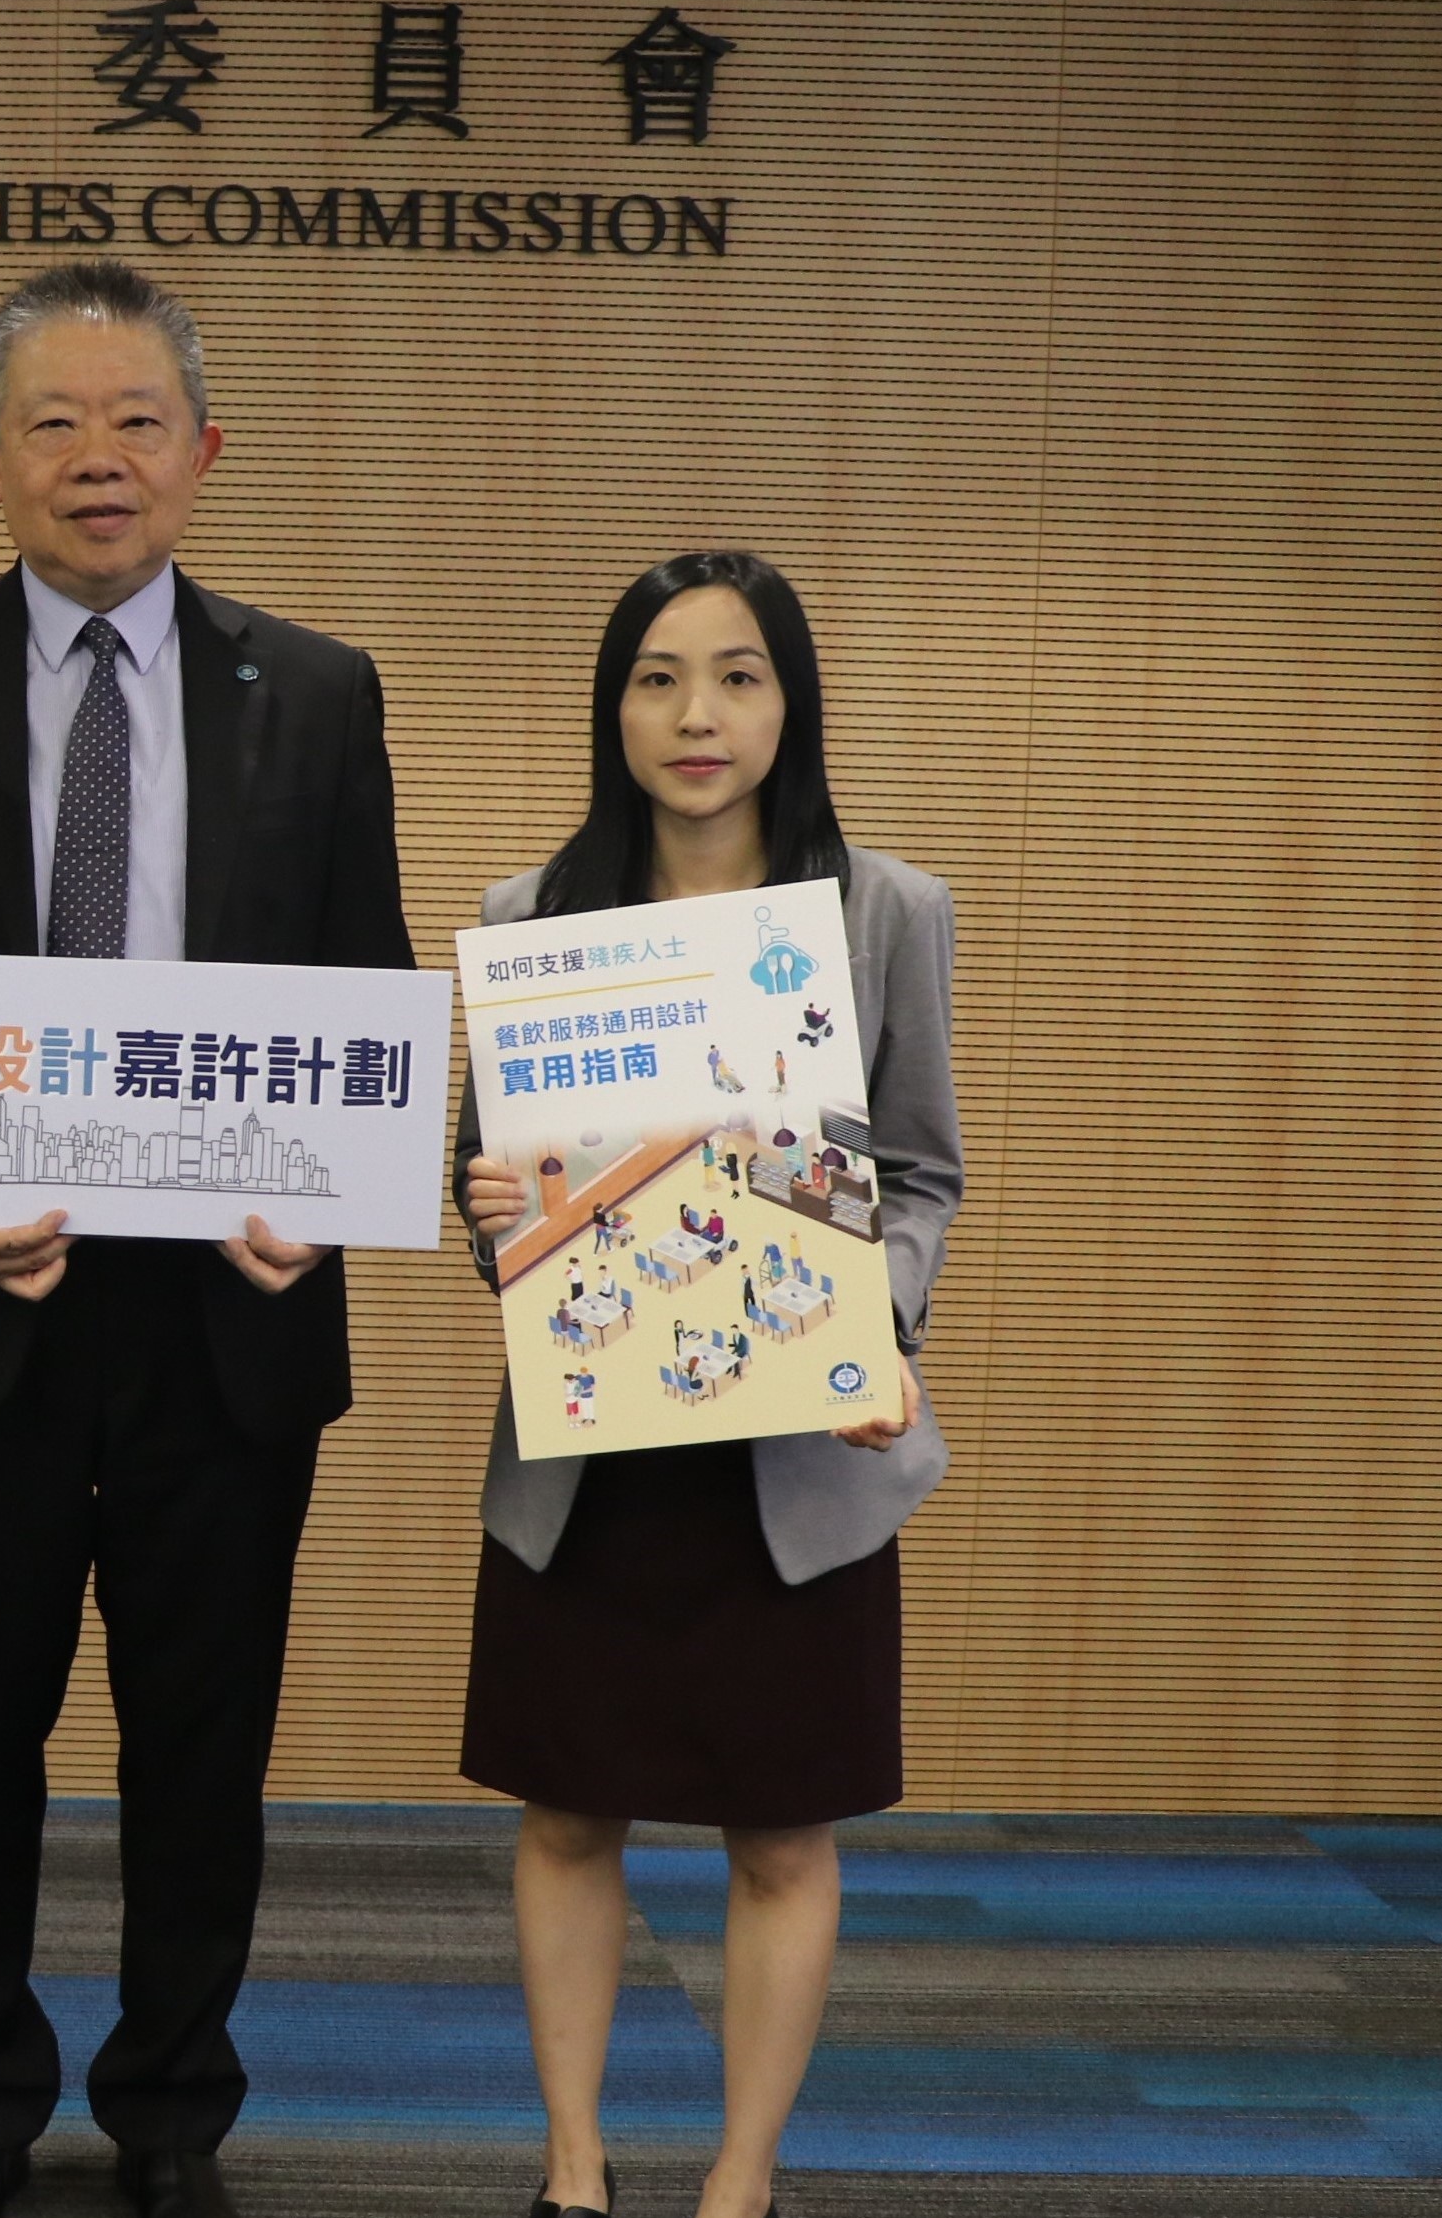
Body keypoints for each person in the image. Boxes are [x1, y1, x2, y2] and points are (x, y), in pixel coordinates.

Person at [0, 261, 413, 2218]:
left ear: (204, 454)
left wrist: (329, 1205)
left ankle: (165, 2114)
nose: (97, 460)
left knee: (198, 1740)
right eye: (52, 423)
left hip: (223, 1311)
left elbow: (362, 994)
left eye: (136, 420)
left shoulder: (314, 691)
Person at [451, 552, 964, 2218]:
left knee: (782, 1836)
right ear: (610, 708)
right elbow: (498, 1197)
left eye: (737, 675)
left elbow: (922, 1174)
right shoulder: (533, 920)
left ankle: (739, 2177)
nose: (695, 715)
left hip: (794, 1455)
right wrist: (486, 1210)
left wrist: (869, 1328)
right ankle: (574, 2165)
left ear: (789, 701)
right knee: (566, 1813)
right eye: (657, 677)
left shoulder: (882, 909)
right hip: (592, 1452)